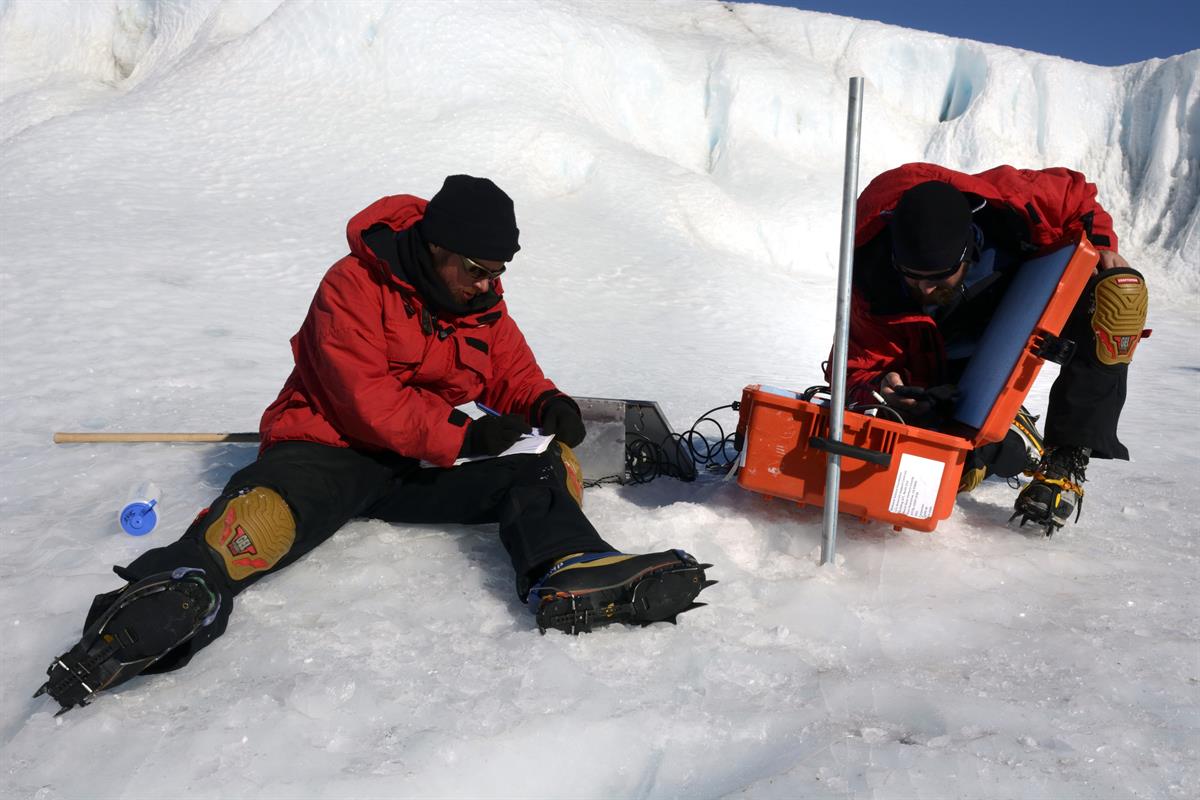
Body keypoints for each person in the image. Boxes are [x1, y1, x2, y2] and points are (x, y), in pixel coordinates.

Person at [36, 175, 714, 714]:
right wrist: (465, 433)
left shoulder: (480, 300)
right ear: (438, 248)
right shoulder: (352, 286)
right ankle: (178, 594)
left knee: (541, 468)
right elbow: (366, 400)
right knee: (265, 514)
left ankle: (568, 569)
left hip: (419, 463)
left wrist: (542, 402)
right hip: (329, 447)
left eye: (498, 272)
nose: (489, 284)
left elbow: (506, 366)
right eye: (479, 269)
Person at [826, 163, 1148, 534]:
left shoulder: (1012, 204)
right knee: (938, 474)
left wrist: (1103, 245)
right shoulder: (873, 279)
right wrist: (882, 386)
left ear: (969, 251)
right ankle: (991, 435)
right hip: (940, 374)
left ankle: (1066, 458)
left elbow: (1076, 196)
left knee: (1117, 294)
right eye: (913, 278)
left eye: (937, 279)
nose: (925, 291)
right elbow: (849, 372)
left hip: (1010, 317)